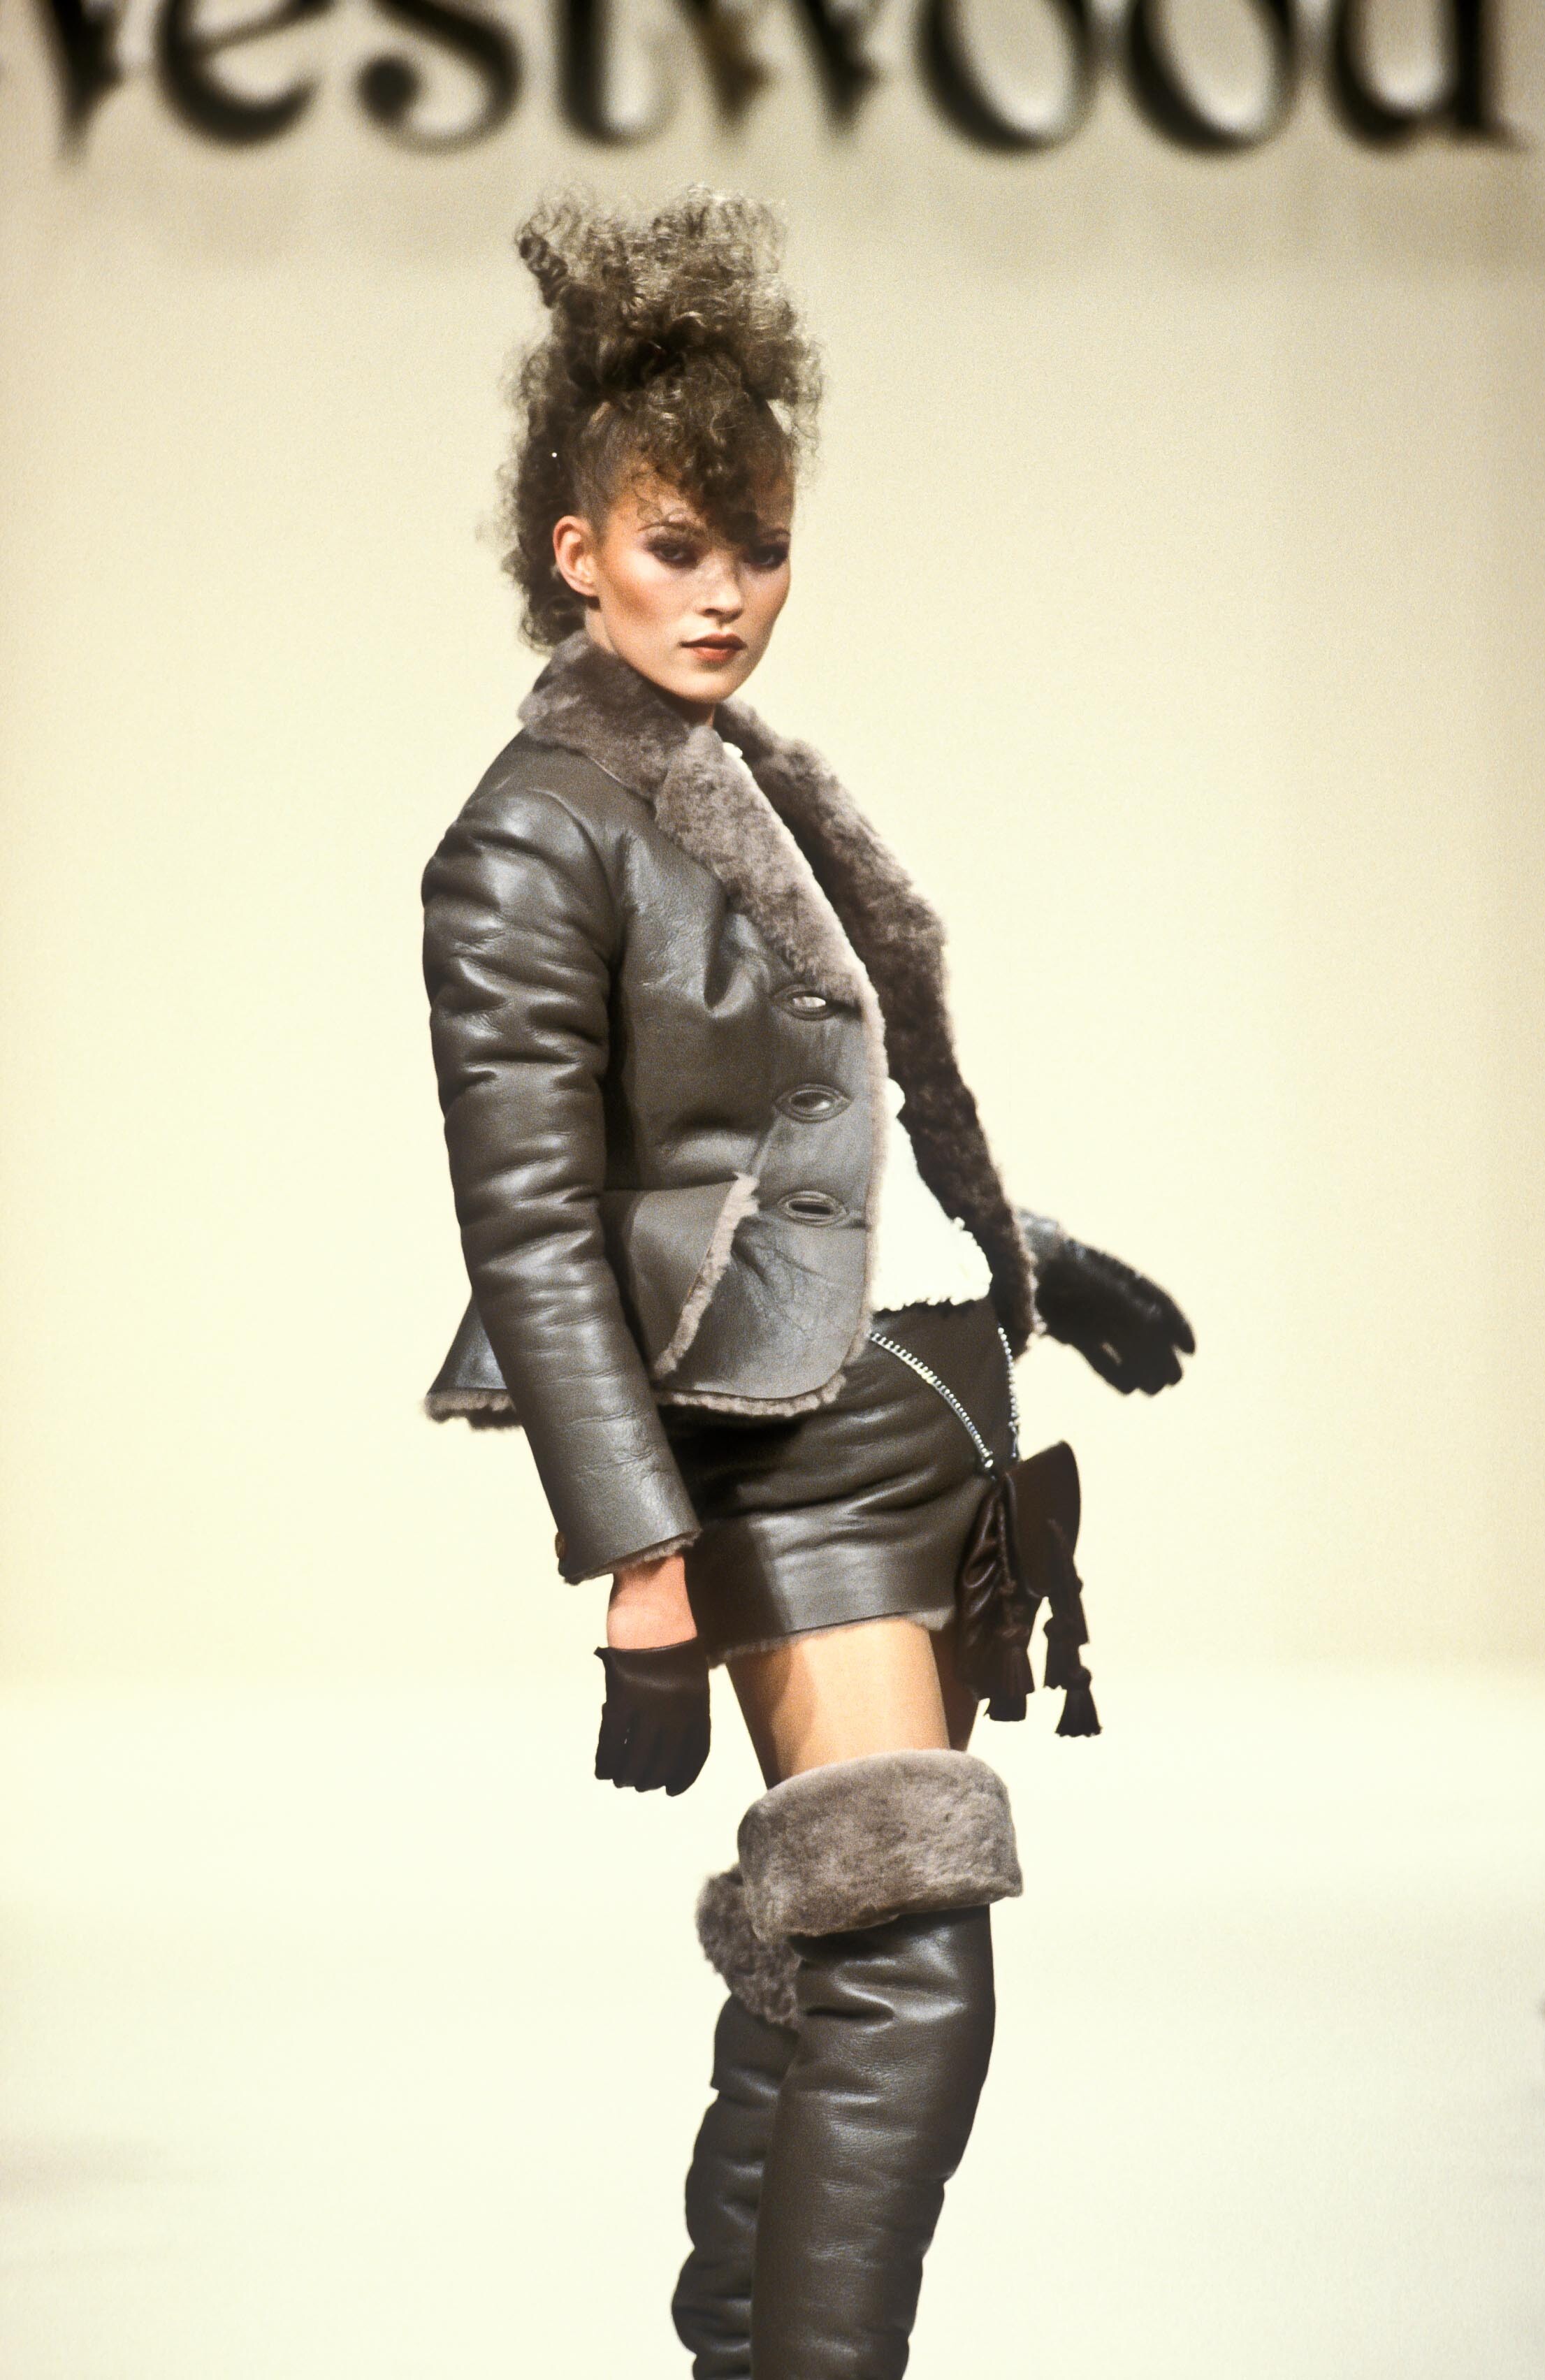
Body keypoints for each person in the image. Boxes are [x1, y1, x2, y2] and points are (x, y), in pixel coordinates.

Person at [421, 188, 1194, 2380]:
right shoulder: (533, 836)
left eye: (761, 546)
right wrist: (640, 1570)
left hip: (910, 1423)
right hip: (791, 1461)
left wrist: (1021, 1256)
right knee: (904, 1962)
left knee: (822, 1961)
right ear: (576, 549)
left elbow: (780, 1141)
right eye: (679, 545)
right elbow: (535, 1226)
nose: (727, 591)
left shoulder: (730, 785)